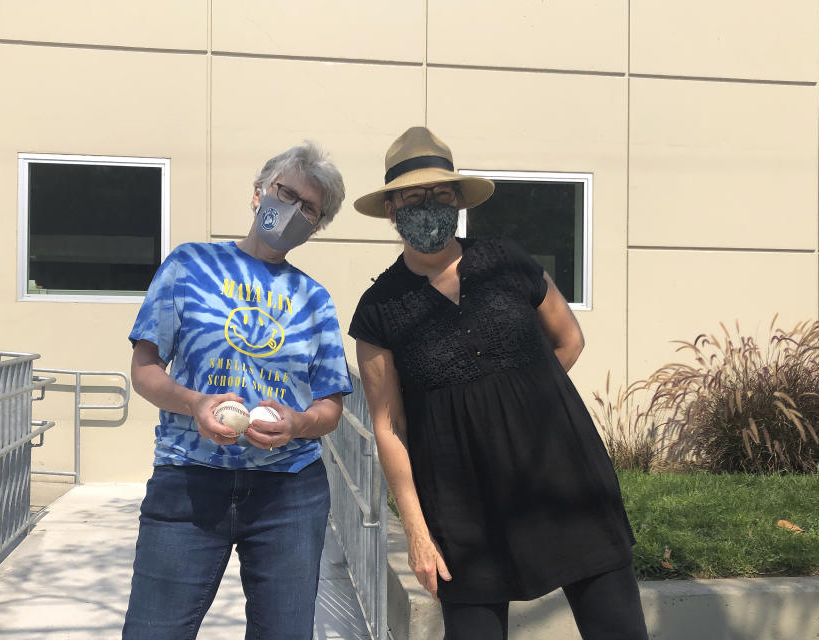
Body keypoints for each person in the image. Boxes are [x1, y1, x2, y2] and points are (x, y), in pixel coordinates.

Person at [349, 127, 649, 639]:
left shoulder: (506, 259)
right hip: (460, 505)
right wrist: (417, 533)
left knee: (618, 630)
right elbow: (389, 427)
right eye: (415, 197)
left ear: (459, 202)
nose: (430, 206)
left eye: (441, 195)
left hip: (562, 476)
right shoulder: (378, 309)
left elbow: (568, 339)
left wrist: (524, 407)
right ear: (393, 209)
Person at [122, 141, 353, 640]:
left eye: (308, 208)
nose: (292, 211)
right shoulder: (188, 266)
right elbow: (145, 370)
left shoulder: (314, 300)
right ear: (258, 193)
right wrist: (195, 403)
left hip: (289, 491)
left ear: (317, 225)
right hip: (188, 482)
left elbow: (330, 405)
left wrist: (298, 424)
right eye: (285, 193)